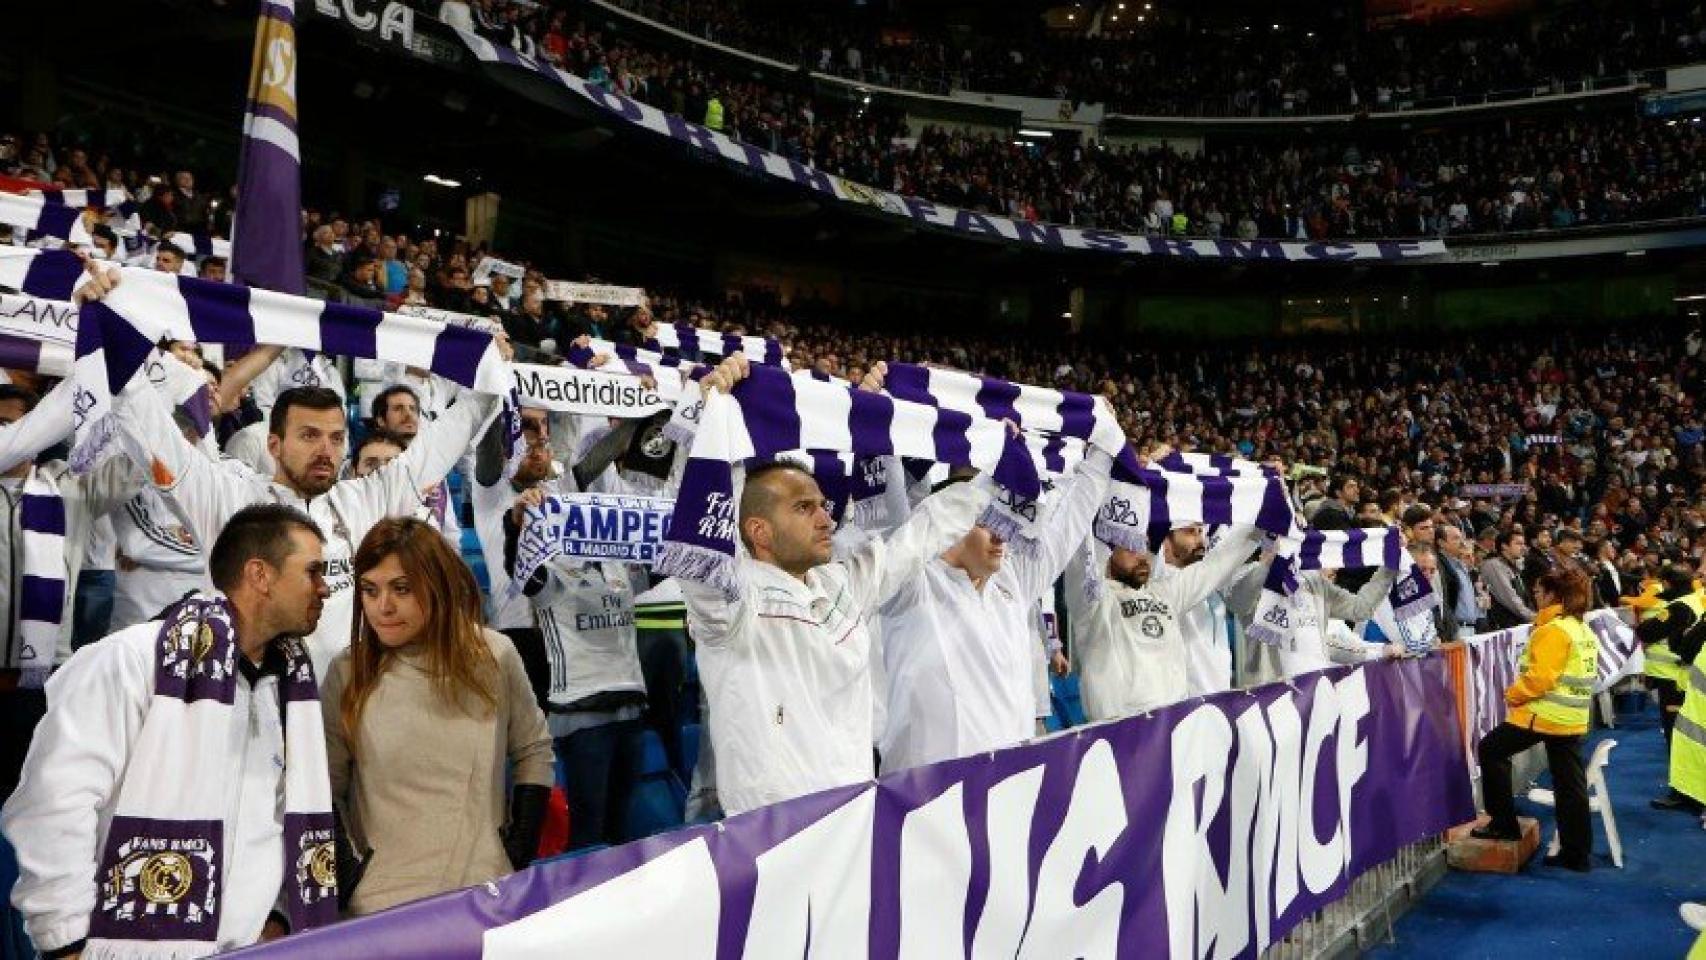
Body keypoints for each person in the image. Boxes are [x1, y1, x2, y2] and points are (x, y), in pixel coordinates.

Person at [2, 504, 337, 955]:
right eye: (312, 571)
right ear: (261, 574)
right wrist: (65, 941)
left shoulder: (290, 685)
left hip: (248, 947)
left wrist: (279, 915)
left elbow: (285, 814)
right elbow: (54, 802)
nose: (325, 588)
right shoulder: (131, 659)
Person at [680, 356, 994, 815]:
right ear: (758, 531)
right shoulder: (733, 602)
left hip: (853, 819)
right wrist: (712, 428)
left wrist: (988, 474)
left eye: (823, 505)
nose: (827, 519)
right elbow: (704, 555)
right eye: (804, 508)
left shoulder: (840, 583)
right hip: (775, 839)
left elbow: (918, 536)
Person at [111, 351, 501, 678]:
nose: (325, 451)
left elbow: (446, 440)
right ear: (274, 445)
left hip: (346, 705)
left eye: (335, 438)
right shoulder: (230, 499)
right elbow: (151, 435)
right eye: (309, 435)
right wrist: (113, 338)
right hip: (250, 697)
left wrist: (489, 370)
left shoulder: (365, 498)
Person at [320, 517, 552, 916]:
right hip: (382, 907)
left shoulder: (495, 654)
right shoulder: (348, 672)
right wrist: (352, 873)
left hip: (487, 893)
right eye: (370, 591)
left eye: (402, 589)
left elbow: (534, 750)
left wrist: (517, 849)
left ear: (437, 585)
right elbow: (324, 786)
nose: (383, 606)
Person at [879, 444, 1114, 772]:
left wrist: (1102, 450)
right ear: (952, 523)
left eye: (1007, 522)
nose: (1002, 536)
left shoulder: (1013, 583)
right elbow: (900, 519)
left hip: (1006, 791)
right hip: (926, 800)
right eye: (988, 523)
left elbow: (1070, 521)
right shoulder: (911, 586)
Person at [1069, 523, 1265, 721]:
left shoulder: (1165, 592)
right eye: (1130, 546)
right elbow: (1080, 555)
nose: (1141, 554)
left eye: (1144, 545)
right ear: (1107, 551)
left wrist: (1261, 528)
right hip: (1122, 731)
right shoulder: (1093, 603)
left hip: (1175, 726)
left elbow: (1215, 567)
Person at [1472, 566, 1598, 873]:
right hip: (1571, 717)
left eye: (1540, 592)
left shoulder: (1553, 630)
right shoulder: (1579, 627)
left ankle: (1503, 824)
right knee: (1570, 785)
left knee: (1491, 749)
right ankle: (1576, 854)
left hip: (1543, 714)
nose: (1536, 596)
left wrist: (1513, 695)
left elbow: (1540, 679)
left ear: (1554, 594)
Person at [1640, 565, 1705, 812]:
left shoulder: (1679, 606)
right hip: (1692, 679)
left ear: (1668, 584)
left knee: (1680, 737)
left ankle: (1684, 792)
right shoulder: (1699, 599)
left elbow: (1647, 631)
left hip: (1679, 679)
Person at [1480, 529, 1535, 630]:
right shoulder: (1494, 565)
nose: (1523, 548)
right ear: (1504, 546)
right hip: (1502, 627)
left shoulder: (1514, 567)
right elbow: (1509, 598)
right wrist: (1534, 617)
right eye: (1518, 544)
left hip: (1516, 625)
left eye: (1523, 544)